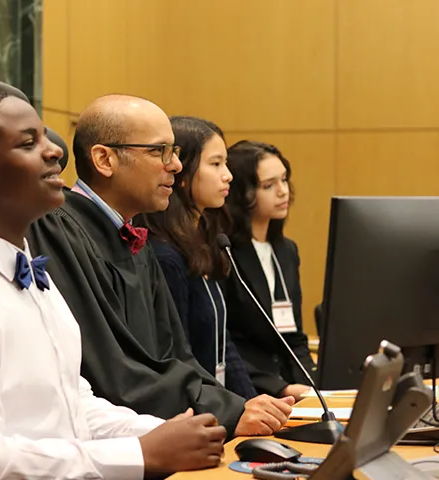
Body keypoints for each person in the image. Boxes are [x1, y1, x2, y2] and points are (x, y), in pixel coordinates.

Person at [0, 91, 227, 480]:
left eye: (46, 138)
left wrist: (165, 433)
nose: (55, 153)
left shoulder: (29, 272)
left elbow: (72, 404)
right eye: (29, 143)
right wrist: (139, 453)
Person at [28, 94, 295, 438]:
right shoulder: (59, 230)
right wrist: (225, 412)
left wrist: (234, 405)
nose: (176, 166)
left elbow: (177, 357)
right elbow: (111, 368)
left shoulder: (132, 235)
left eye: (175, 153)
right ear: (104, 159)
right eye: (159, 152)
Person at [138, 116, 257, 400]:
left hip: (220, 407)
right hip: (194, 413)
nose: (228, 175)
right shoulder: (165, 256)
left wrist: (252, 404)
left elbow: (222, 344)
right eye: (215, 164)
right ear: (182, 173)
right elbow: (177, 360)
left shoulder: (205, 242)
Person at [224, 140, 316, 401]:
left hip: (292, 389)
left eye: (284, 180)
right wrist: (280, 387)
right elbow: (225, 342)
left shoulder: (287, 250)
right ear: (241, 193)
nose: (283, 191)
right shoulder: (222, 251)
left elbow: (294, 336)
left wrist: (316, 386)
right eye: (269, 185)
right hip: (249, 391)